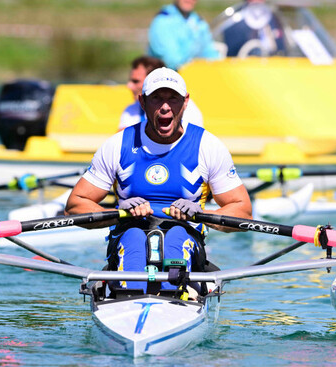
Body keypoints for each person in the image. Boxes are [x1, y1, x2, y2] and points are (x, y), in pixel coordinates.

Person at [66, 67, 252, 294]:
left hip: (184, 234)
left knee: (176, 237)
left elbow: (243, 212)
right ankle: (133, 296)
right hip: (129, 232)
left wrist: (200, 214)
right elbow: (75, 206)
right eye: (157, 98)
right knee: (133, 238)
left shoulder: (208, 146)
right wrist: (118, 210)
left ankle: (173, 293)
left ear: (185, 103)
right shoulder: (118, 145)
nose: (165, 107)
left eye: (173, 98)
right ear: (142, 102)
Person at [119, 55, 204, 130]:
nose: (129, 86)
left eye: (136, 81)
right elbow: (122, 142)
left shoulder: (189, 111)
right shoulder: (131, 110)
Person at [147, 0, 220, 70]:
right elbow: (172, 61)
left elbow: (210, 53)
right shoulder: (163, 21)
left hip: (195, 74)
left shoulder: (199, 22)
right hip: (167, 78)